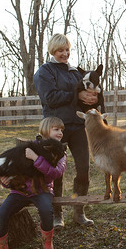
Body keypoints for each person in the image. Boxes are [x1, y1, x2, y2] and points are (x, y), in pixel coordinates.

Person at [33, 33, 99, 228]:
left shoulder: (75, 72)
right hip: (56, 128)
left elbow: (83, 95)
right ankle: (57, 214)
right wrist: (76, 94)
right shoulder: (45, 71)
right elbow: (50, 97)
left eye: (67, 49)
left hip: (78, 126)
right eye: (61, 50)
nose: (65, 53)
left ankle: (79, 210)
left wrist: (90, 99)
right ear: (53, 50)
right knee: (56, 172)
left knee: (83, 169)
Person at [0, 117, 67, 249]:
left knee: (47, 211)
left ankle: (48, 246)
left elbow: (54, 174)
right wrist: (5, 181)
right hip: (20, 191)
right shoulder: (27, 147)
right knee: (1, 214)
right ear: (45, 129)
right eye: (56, 129)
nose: (60, 133)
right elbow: (14, 168)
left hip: (42, 191)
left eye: (61, 130)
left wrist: (36, 158)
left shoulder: (60, 151)